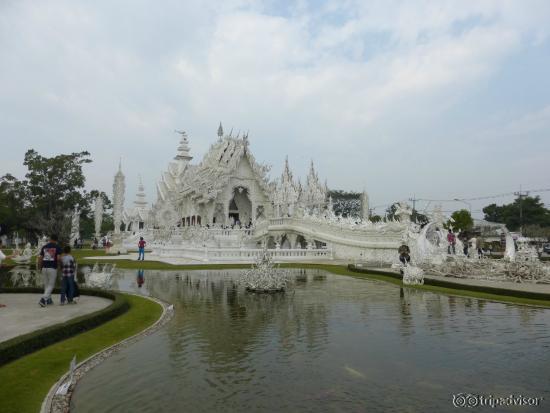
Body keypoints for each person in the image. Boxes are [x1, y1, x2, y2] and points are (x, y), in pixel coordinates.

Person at [38, 234, 62, 307]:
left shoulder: (44, 247)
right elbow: (58, 258)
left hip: (44, 268)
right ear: (56, 240)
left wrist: (39, 267)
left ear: (50, 239)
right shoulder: (57, 247)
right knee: (51, 285)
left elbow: (40, 258)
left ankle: (48, 300)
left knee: (46, 285)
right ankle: (43, 299)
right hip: (52, 268)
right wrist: (59, 266)